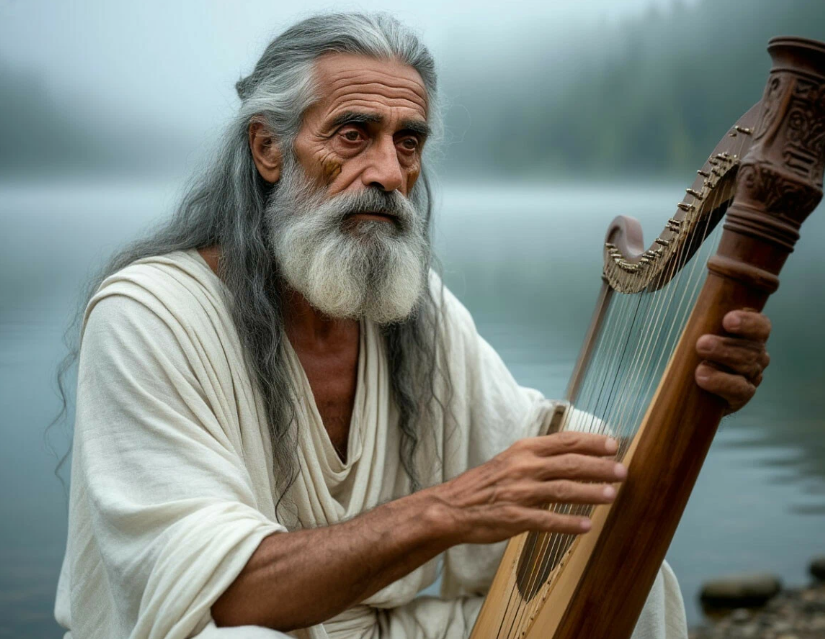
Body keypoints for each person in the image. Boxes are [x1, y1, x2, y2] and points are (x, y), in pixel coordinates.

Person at [54, 12, 772, 639]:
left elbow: (570, 475)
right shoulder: (149, 314)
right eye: (352, 134)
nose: (388, 172)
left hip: (371, 629)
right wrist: (446, 510)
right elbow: (227, 595)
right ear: (267, 149)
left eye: (408, 142)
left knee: (638, 581)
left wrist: (697, 384)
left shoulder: (413, 311)